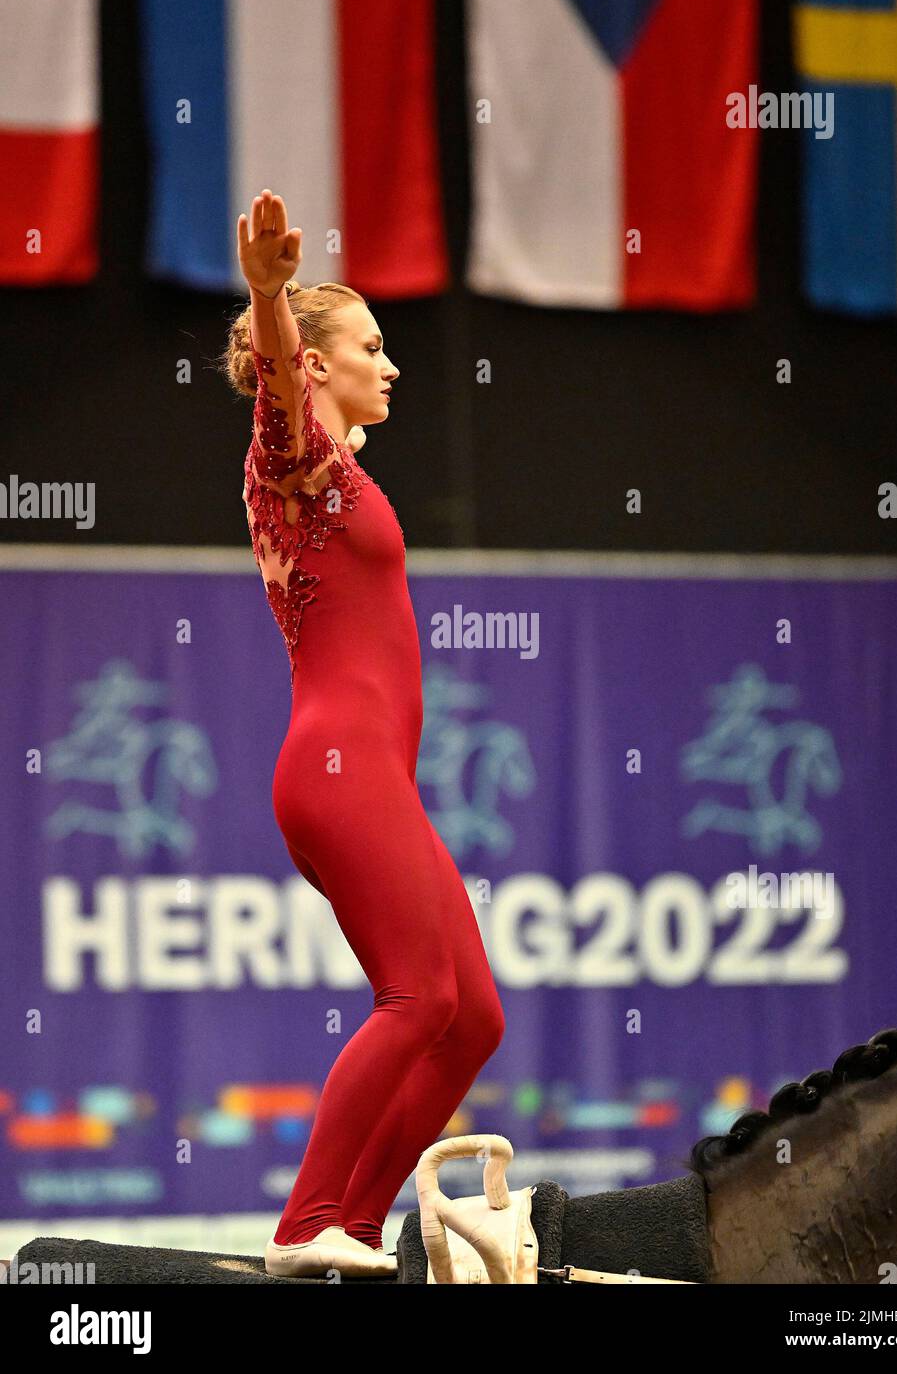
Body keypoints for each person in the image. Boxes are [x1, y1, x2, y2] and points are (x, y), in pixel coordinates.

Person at [222, 190, 505, 1277]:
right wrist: (269, 295)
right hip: (337, 771)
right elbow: (280, 406)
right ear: (319, 365)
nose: (392, 367)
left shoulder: (341, 481)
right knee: (419, 995)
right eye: (372, 349)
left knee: (471, 1015)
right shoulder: (298, 467)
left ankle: (356, 1222)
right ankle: (304, 1222)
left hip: (373, 774)